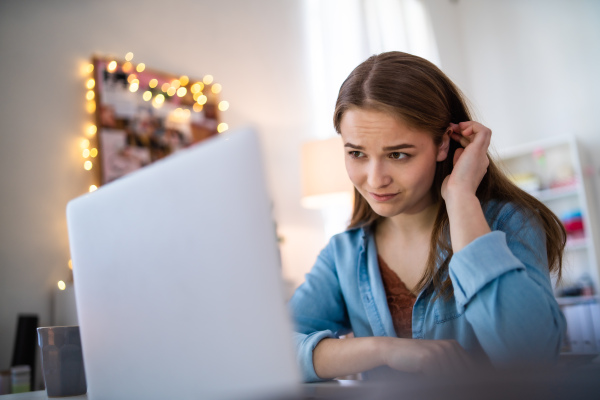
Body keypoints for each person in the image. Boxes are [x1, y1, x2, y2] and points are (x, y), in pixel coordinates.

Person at [289, 51, 567, 382]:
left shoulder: (509, 223)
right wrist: (384, 349)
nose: (376, 179)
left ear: (442, 145)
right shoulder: (343, 255)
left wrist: (461, 198)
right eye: (357, 153)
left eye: (398, 154)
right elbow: (275, 352)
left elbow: (531, 354)